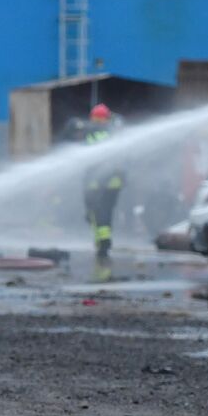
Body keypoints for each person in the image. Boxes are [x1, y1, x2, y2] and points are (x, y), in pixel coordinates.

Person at [83, 103, 123, 282]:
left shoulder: (90, 132)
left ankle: (103, 244)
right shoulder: (115, 132)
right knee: (105, 214)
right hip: (113, 183)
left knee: (96, 214)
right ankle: (103, 243)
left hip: (95, 183)